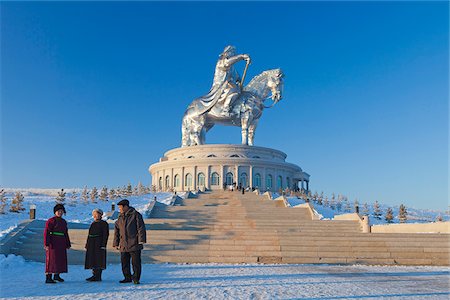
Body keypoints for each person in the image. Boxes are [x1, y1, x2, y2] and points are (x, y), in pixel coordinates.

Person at [198, 45, 251, 117]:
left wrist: (239, 81)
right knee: (234, 90)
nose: (233, 54)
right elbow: (227, 63)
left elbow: (237, 77)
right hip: (220, 85)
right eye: (232, 52)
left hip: (227, 84)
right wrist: (241, 56)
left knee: (239, 90)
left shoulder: (232, 68)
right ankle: (225, 109)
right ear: (227, 53)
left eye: (234, 53)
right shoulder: (221, 62)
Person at [113, 199, 146, 284]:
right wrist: (116, 243)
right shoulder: (120, 217)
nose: (119, 209)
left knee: (135, 263)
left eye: (120, 207)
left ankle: (136, 278)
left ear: (126, 206)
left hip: (134, 243)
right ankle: (127, 277)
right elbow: (116, 231)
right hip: (123, 244)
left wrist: (141, 240)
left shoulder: (136, 215)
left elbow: (141, 228)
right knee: (124, 263)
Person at [44, 204, 71, 283]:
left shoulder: (63, 222)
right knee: (52, 259)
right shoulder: (51, 221)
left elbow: (65, 233)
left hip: (61, 242)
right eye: (58, 211)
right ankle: (48, 277)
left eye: (61, 211)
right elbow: (47, 232)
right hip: (53, 242)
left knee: (59, 259)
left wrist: (67, 243)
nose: (60, 213)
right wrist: (46, 243)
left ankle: (57, 275)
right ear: (55, 212)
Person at [84, 208, 109, 282]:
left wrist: (103, 244)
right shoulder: (93, 223)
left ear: (101, 215)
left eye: (97, 214)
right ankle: (94, 274)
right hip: (92, 243)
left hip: (99, 243)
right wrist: (87, 244)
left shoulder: (104, 223)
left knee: (99, 259)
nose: (95, 215)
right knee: (92, 259)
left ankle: (98, 275)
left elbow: (105, 235)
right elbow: (89, 235)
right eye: (94, 214)